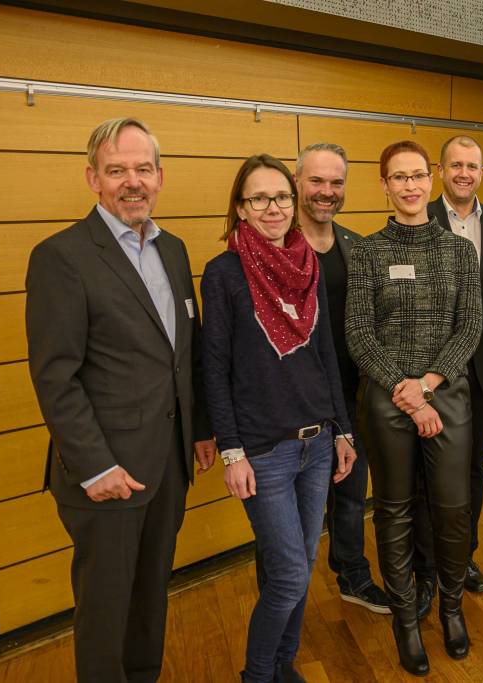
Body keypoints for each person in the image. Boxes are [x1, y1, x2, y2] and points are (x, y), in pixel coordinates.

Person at [24, 118, 215, 682]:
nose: (132, 182)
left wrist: (200, 430)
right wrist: (95, 466)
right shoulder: (62, 257)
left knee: (151, 595)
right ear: (93, 178)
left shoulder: (173, 250)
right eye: (117, 170)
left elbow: (187, 351)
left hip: (169, 465)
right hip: (108, 473)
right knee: (106, 611)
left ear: (160, 176)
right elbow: (56, 376)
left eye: (143, 169)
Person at [201, 154, 356, 683]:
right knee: (289, 573)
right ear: (241, 208)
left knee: (302, 566)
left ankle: (283, 666)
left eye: (282, 197)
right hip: (263, 451)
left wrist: (343, 429)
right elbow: (214, 368)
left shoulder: (308, 263)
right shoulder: (224, 273)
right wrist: (231, 452)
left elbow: (326, 355)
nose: (273, 207)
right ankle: (257, 675)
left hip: (318, 442)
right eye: (259, 198)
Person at [345, 140, 481, 675]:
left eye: (418, 175)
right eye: (398, 177)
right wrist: (402, 386)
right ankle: (405, 619)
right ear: (384, 185)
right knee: (395, 510)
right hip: (386, 397)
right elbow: (359, 333)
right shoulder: (367, 252)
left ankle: (451, 609)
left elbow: (469, 327)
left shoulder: (459, 252)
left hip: (445, 392)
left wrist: (425, 384)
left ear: (432, 179)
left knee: (452, 509)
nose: (409, 185)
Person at [410, 135, 483, 612]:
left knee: (475, 468)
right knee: (427, 475)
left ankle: (462, 557)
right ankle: (426, 568)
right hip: (431, 373)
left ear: (482, 172)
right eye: (455, 165)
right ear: (440, 171)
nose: (463, 173)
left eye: (471, 166)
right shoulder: (419, 218)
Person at [292, 142, 390, 614]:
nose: (326, 191)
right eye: (316, 180)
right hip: (297, 404)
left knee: (350, 497)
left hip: (353, 396)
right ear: (297, 182)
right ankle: (286, 597)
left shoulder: (358, 247)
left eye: (336, 182)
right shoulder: (277, 247)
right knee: (294, 512)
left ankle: (352, 575)